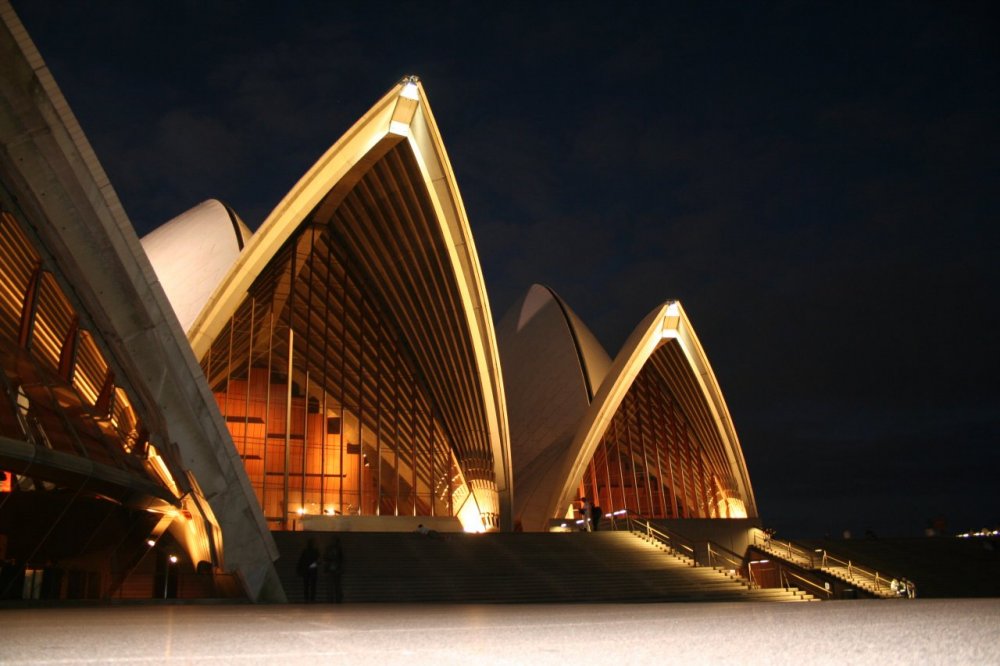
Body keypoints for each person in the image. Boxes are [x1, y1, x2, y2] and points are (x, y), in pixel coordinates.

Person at [296, 538, 320, 603]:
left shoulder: (306, 551)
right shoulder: (314, 551)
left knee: (307, 585)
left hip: (307, 570)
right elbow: (318, 560)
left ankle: (307, 598)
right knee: (311, 585)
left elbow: (301, 561)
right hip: (311, 570)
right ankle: (311, 598)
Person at [323, 537, 343, 603]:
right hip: (334, 569)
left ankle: (332, 599)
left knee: (333, 585)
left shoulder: (330, 549)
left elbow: (326, 558)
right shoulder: (338, 550)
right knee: (335, 585)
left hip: (333, 569)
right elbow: (341, 560)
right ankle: (336, 599)